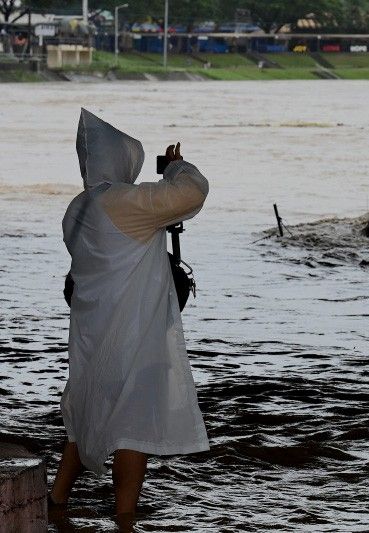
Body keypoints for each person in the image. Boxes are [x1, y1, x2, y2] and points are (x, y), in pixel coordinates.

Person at [50, 109, 210, 519]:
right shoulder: (122, 201)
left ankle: (57, 500)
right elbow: (192, 193)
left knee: (85, 412)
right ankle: (124, 519)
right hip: (132, 331)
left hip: (92, 329)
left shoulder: (78, 207)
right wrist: (178, 167)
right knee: (132, 425)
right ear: (122, 161)